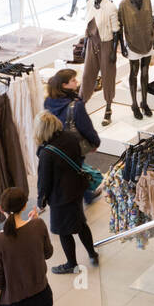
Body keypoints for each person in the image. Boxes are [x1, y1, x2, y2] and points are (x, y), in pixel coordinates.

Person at [35, 111, 99, 274]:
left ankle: (72, 263)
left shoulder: (46, 153)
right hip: (77, 188)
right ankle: (92, 254)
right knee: (80, 223)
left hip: (60, 196)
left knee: (63, 230)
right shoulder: (70, 137)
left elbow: (44, 181)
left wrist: (41, 200)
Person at [44, 69, 101, 158]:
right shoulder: (76, 106)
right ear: (64, 85)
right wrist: (96, 142)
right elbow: (86, 127)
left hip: (54, 146)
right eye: (73, 80)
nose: (77, 82)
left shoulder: (48, 101)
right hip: (73, 147)